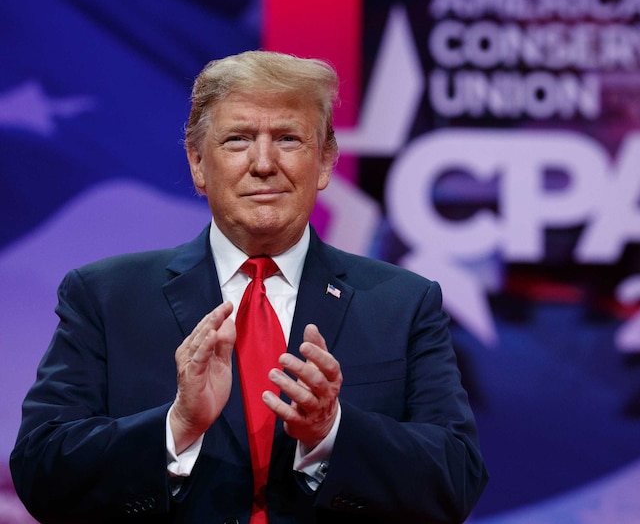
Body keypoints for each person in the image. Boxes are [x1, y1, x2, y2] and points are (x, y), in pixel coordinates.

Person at [10, 50, 488, 523]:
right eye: (238, 139)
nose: (263, 163)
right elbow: (41, 472)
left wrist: (330, 432)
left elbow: (456, 479)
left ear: (324, 162)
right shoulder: (105, 297)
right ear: (198, 163)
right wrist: (176, 427)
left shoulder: (403, 303)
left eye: (288, 139)